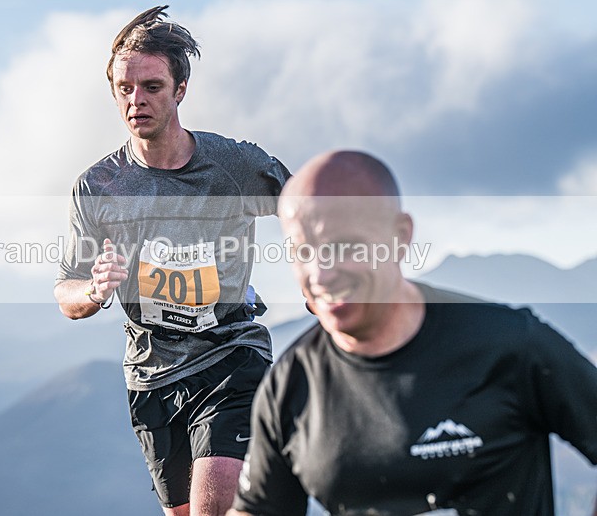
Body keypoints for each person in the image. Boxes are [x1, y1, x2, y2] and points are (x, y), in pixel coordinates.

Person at [230, 150, 597, 515]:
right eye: (303, 251)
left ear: (400, 236)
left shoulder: (512, 346)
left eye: (342, 246)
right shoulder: (290, 387)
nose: (322, 273)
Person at [53, 6, 290, 516]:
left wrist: (324, 273)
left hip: (231, 356)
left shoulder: (233, 166)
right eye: (124, 88)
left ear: (180, 89)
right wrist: (93, 292)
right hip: (151, 373)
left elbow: (306, 206)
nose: (135, 100)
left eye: (151, 87)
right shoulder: (98, 187)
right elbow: (66, 294)